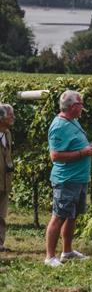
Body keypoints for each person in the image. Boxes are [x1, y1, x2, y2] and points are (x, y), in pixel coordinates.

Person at [45, 91, 92, 267]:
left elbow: (76, 145)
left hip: (78, 178)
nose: (82, 107)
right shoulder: (59, 126)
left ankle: (67, 251)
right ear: (72, 106)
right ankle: (49, 257)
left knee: (72, 216)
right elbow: (55, 155)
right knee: (59, 216)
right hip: (66, 179)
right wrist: (82, 153)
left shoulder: (73, 121)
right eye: (80, 104)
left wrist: (91, 147)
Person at [0, 104, 15, 252]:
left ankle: (0, 243)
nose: (13, 118)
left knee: (2, 214)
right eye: (10, 115)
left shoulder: (7, 133)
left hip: (4, 180)